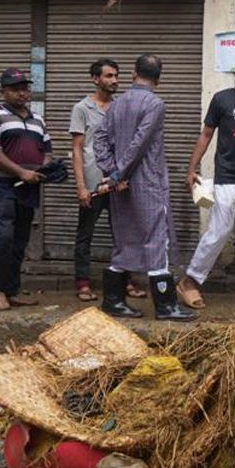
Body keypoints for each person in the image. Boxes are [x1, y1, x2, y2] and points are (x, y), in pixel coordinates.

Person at [93, 54, 196, 321]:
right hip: (147, 183)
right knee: (157, 241)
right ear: (158, 80)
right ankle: (165, 306)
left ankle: (114, 301)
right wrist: (117, 174)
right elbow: (139, 144)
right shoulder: (155, 103)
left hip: (122, 186)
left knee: (124, 241)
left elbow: (100, 140)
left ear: (132, 74)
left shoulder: (116, 105)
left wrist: (112, 172)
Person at [177, 52, 235, 309]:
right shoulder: (222, 99)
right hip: (226, 177)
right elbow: (206, 135)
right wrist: (192, 168)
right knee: (219, 231)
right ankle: (190, 281)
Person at [68, 59, 145, 302]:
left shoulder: (121, 107)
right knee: (85, 234)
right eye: (109, 76)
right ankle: (82, 283)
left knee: (123, 234)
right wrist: (81, 186)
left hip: (116, 183)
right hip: (92, 184)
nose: (115, 81)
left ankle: (126, 281)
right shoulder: (82, 108)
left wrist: (124, 177)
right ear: (95, 79)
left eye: (116, 76)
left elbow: (126, 146)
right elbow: (78, 149)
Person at [0, 68, 52, 312]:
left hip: (28, 187)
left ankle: (12, 290)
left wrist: (46, 168)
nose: (21, 93)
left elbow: (47, 151)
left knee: (20, 240)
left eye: (24, 88)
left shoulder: (37, 119)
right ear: (3, 92)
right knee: (3, 237)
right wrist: (21, 172)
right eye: (15, 89)